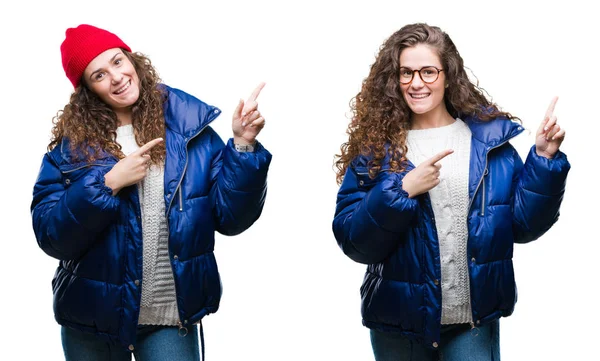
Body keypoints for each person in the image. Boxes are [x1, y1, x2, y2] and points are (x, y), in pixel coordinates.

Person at [31, 24, 272, 361]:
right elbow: (52, 236)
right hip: (92, 320)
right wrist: (107, 184)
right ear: (88, 90)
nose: (115, 77)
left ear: (132, 60)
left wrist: (244, 147)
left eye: (117, 62)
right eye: (99, 75)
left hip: (169, 317)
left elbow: (231, 218)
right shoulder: (71, 151)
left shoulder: (188, 129)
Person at [332, 23, 570, 360]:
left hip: (472, 322)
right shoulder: (376, 151)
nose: (416, 83)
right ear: (393, 79)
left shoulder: (488, 144)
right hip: (399, 323)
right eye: (406, 73)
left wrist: (545, 160)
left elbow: (522, 225)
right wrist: (401, 191)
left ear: (448, 75)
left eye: (428, 72)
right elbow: (353, 241)